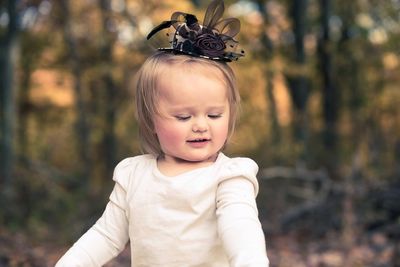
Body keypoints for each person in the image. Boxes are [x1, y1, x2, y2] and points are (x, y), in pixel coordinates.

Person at [56, 0, 269, 266]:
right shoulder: (133, 175)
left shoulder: (229, 177)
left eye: (214, 115)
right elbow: (105, 235)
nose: (201, 125)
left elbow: (241, 228)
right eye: (183, 116)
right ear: (151, 120)